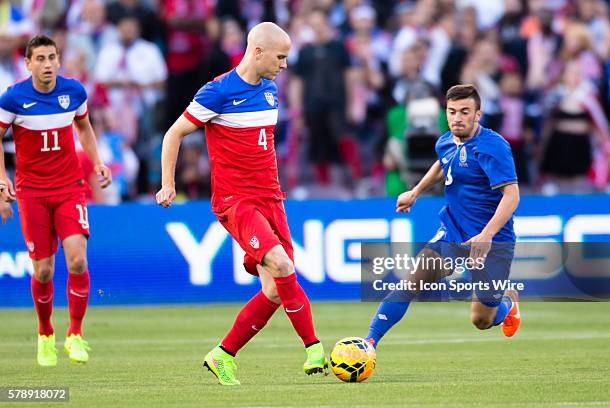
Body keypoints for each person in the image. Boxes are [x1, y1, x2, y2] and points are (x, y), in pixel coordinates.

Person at [156, 22, 327, 386]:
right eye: (280, 57)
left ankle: (222, 355)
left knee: (273, 289)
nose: (284, 65)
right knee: (281, 265)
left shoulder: (270, 91)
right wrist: (168, 184)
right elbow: (174, 134)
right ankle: (313, 348)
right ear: (258, 52)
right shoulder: (217, 92)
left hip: (271, 198)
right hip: (237, 201)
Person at [365, 84, 522, 348]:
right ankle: (369, 342)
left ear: (478, 115)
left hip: (492, 240)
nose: (457, 118)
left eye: (464, 112)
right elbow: (442, 164)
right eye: (452, 112)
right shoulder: (446, 140)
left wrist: (487, 234)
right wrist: (415, 192)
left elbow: (512, 196)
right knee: (411, 281)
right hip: (452, 230)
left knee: (482, 320)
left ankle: (507, 304)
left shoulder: (494, 147)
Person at [0, 35, 112, 366]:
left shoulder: (74, 92)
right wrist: (2, 182)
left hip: (69, 187)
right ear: (28, 63)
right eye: (41, 59)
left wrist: (98, 161)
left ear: (59, 60)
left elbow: (85, 128)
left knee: (77, 260)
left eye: (52, 58)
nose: (47, 64)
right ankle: (45, 334)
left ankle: (74, 335)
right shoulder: (13, 99)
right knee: (44, 271)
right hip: (32, 192)